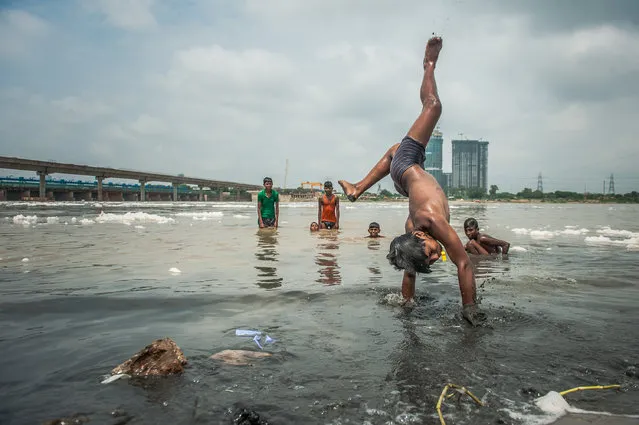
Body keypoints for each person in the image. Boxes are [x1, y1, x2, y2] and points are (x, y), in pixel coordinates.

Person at [338, 36, 484, 326]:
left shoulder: (431, 222)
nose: (434, 257)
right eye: (430, 260)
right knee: (394, 151)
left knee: (433, 106)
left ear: (420, 236)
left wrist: (470, 309)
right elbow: (409, 268)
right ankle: (358, 187)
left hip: (405, 167)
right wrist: (407, 304)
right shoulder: (411, 233)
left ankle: (428, 64)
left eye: (429, 254)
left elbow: (464, 264)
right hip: (404, 178)